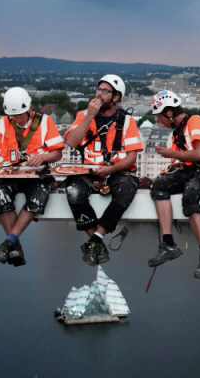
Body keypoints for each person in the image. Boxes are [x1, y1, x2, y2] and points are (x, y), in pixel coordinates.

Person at [64, 75, 143, 266]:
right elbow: (72, 142)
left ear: (116, 97)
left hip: (117, 172)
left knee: (125, 192)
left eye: (105, 91)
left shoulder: (127, 121)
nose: (99, 94)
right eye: (98, 89)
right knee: (74, 192)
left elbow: (131, 158)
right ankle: (97, 243)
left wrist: (110, 169)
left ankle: (96, 239)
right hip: (89, 172)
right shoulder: (83, 116)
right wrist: (90, 115)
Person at [0, 87, 64, 267]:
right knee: (0, 195)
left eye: (20, 115)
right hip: (8, 174)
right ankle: (14, 246)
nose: (17, 119)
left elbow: (57, 153)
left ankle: (9, 242)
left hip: (37, 174)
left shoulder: (45, 122)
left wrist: (43, 157)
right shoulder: (1, 125)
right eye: (13, 116)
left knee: (38, 197)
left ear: (29, 108)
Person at [149, 90, 200, 278]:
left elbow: (199, 154)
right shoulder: (176, 133)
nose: (159, 121)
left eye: (160, 116)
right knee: (159, 187)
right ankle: (168, 243)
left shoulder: (195, 121)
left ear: (169, 113)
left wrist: (171, 154)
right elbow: (178, 164)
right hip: (189, 170)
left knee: (190, 195)